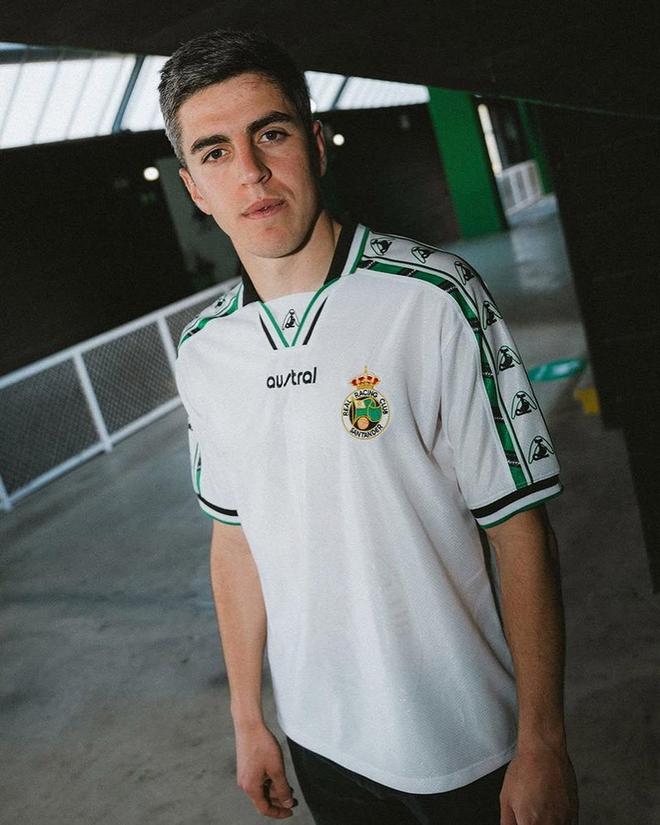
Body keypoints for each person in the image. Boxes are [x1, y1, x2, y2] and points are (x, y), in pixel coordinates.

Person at [158, 29, 579, 825]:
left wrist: (543, 741)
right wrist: (248, 718)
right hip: (321, 742)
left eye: (270, 134)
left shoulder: (434, 297)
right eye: (215, 152)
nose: (250, 171)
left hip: (469, 742)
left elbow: (519, 527)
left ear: (316, 143)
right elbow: (234, 540)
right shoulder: (205, 349)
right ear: (195, 189)